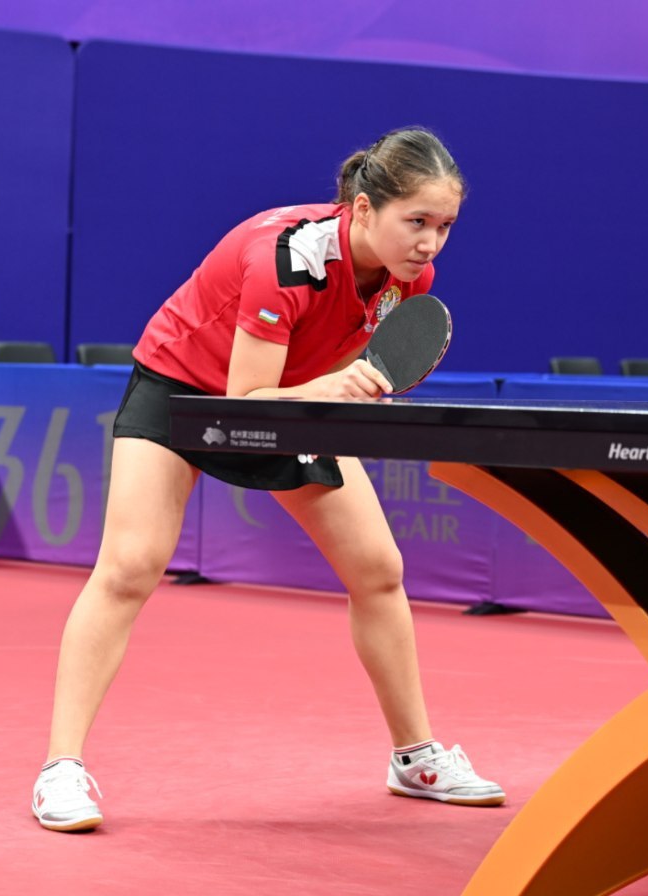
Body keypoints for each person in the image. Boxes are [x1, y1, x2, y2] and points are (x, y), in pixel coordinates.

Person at [32, 127, 505, 833]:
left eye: (444, 226)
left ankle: (415, 757)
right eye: (417, 221)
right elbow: (244, 402)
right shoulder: (287, 260)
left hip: (292, 394)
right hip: (185, 387)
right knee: (129, 566)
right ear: (365, 208)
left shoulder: (410, 279)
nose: (430, 243)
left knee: (378, 569)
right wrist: (330, 390)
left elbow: (332, 365)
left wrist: (346, 392)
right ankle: (60, 768)